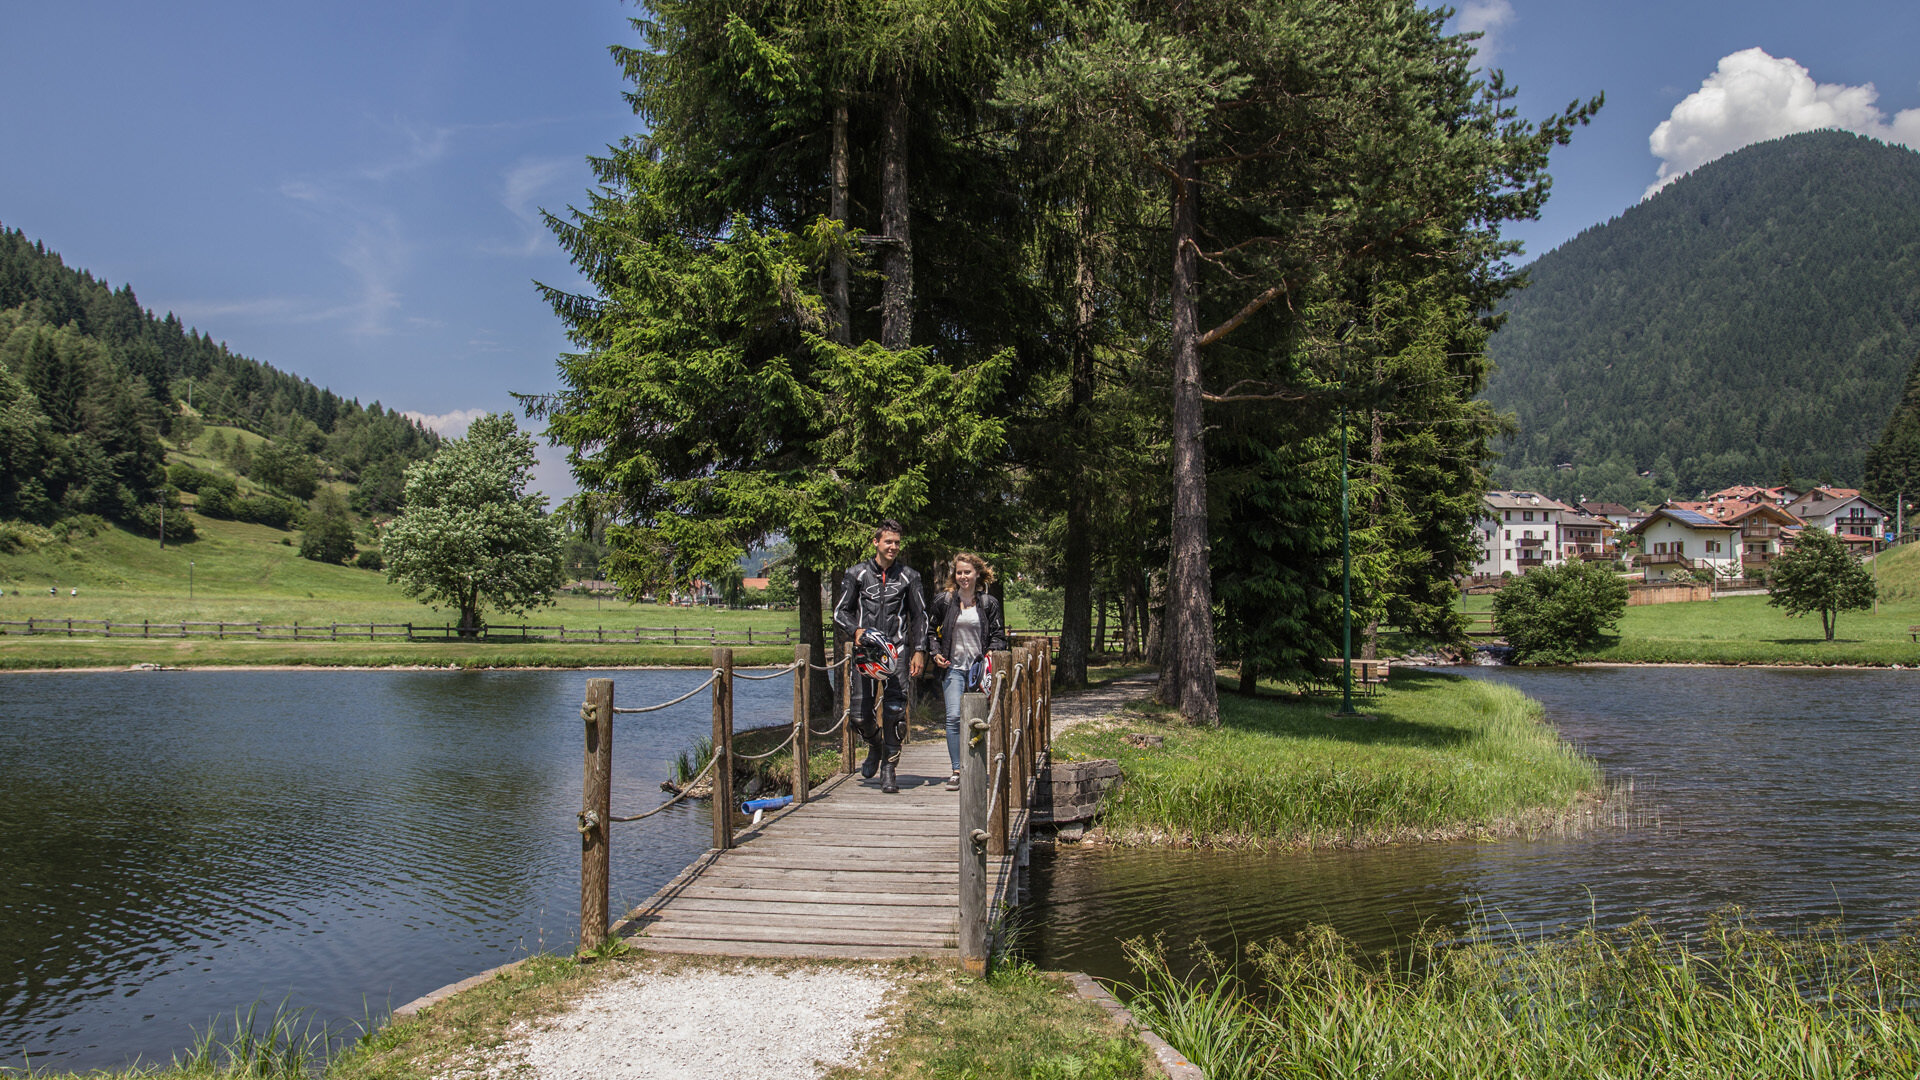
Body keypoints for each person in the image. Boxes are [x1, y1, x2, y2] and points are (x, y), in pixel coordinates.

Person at [832, 519, 927, 794]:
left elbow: (920, 616)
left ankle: (888, 769)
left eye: (897, 542)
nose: (893, 547)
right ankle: (874, 746)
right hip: (866, 653)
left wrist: (919, 650)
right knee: (860, 716)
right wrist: (855, 630)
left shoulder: (910, 576)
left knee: (896, 713)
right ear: (876, 542)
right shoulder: (857, 574)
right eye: (888, 542)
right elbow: (840, 612)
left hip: (897, 652)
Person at [926, 553, 1008, 791]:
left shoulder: (988, 603)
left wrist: (992, 652)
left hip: (978, 671)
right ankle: (956, 770)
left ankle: (977, 769)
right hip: (952, 668)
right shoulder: (944, 601)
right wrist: (935, 652)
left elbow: (998, 635)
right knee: (953, 718)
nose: (963, 576)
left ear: (977, 574)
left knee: (977, 720)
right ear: (955, 575)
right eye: (959, 572)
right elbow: (931, 631)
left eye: (967, 572)